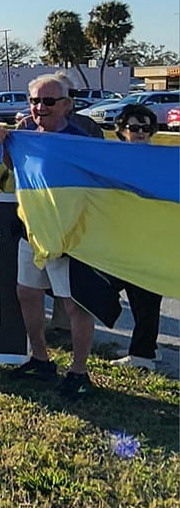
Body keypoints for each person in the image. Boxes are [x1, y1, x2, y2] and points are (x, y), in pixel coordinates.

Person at [0, 73, 95, 401]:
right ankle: (41, 359)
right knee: (27, 293)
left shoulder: (80, 143)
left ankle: (79, 372)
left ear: (66, 105)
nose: (39, 107)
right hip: (31, 232)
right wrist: (1, 142)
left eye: (48, 101)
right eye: (34, 100)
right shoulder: (24, 136)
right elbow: (9, 167)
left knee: (74, 305)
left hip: (67, 238)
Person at [110, 104, 163, 370]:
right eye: (134, 127)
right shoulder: (112, 158)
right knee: (101, 288)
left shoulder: (163, 160)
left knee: (147, 298)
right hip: (121, 239)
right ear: (122, 130)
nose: (140, 132)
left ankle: (143, 355)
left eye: (145, 128)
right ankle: (147, 345)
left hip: (152, 240)